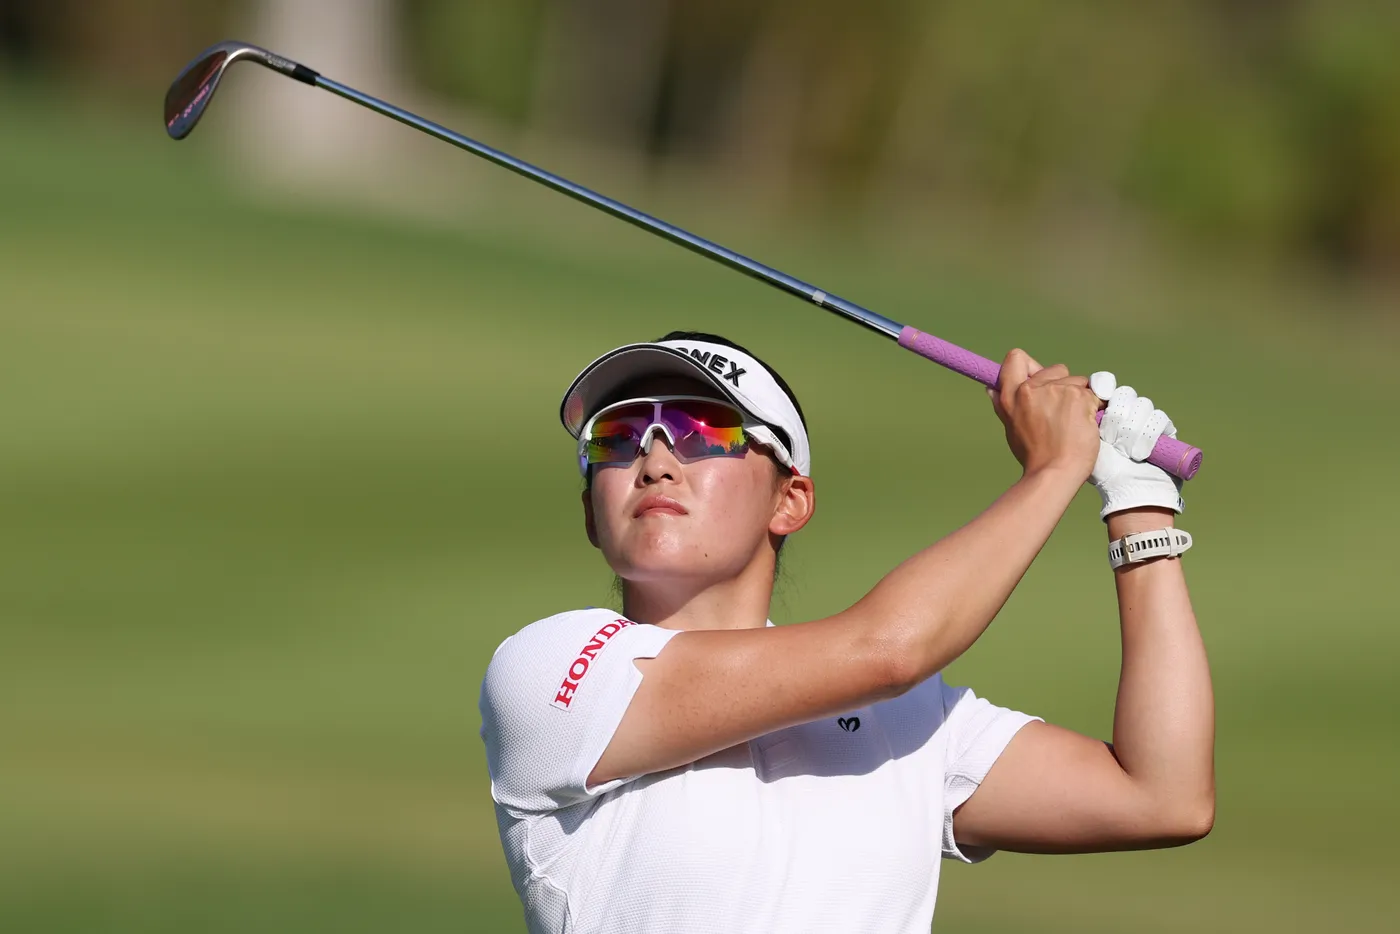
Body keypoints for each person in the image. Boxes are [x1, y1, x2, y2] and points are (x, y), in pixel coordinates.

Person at [479, 331, 1214, 934]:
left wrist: (1138, 506)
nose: (656, 461)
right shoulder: (549, 672)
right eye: (618, 437)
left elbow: (1162, 796)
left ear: (790, 501)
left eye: (706, 432)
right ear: (591, 514)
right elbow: (888, 648)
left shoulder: (911, 720)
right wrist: (1053, 470)